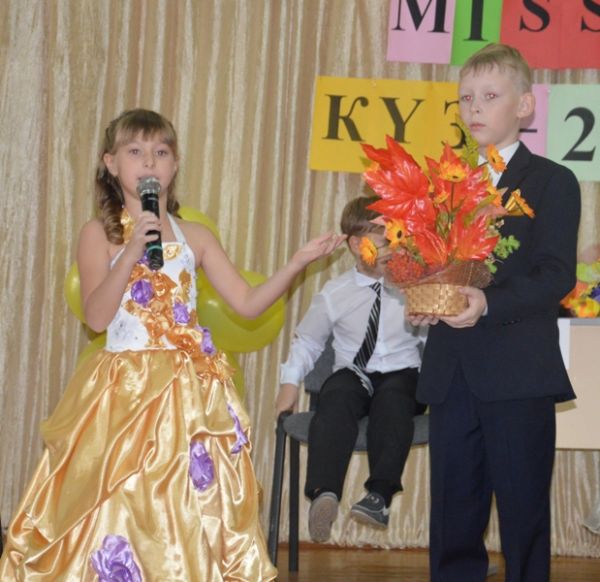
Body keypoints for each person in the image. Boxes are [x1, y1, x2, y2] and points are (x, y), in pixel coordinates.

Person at [0, 108, 345, 581]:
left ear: (175, 164)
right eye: (135, 151)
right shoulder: (98, 234)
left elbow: (247, 303)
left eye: (161, 152)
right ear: (110, 163)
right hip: (123, 391)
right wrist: (132, 250)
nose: (149, 162)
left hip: (188, 394)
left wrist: (297, 262)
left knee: (184, 502)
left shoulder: (195, 236)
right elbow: (97, 317)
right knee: (121, 494)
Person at [410, 44, 581, 582]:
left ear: (525, 105)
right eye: (466, 98)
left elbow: (556, 275)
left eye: (489, 95)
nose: (475, 108)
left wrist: (488, 302)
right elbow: (432, 264)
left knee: (523, 515)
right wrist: (426, 298)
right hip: (452, 371)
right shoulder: (445, 185)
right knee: (453, 517)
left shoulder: (552, 181)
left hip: (517, 372)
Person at [276, 195, 426, 543]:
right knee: (336, 395)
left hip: (403, 372)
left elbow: (433, 339)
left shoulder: (414, 286)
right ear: (357, 245)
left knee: (394, 399)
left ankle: (379, 496)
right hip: (355, 373)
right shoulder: (335, 292)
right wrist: (289, 383)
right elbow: (308, 341)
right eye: (383, 241)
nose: (391, 248)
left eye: (397, 239)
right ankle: (324, 493)